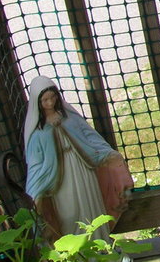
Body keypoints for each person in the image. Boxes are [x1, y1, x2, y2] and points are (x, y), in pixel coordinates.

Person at [24, 76, 134, 241]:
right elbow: (35, 163)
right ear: (37, 103)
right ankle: (78, 252)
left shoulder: (70, 118)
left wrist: (108, 154)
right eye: (45, 100)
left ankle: (100, 243)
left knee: (92, 207)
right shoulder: (38, 132)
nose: (50, 103)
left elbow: (90, 137)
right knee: (69, 213)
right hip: (60, 181)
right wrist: (36, 189)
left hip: (82, 168)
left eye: (52, 97)